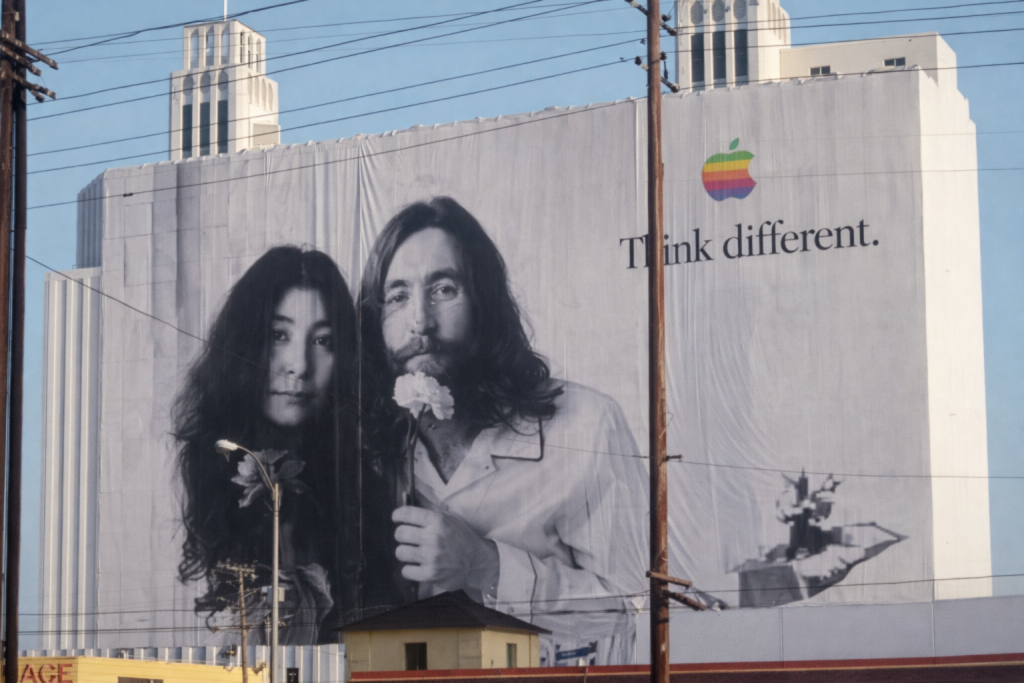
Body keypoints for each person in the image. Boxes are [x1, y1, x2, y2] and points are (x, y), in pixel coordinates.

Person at [358, 197, 649, 665]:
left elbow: (635, 612)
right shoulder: (366, 447)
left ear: (485, 302)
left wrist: (486, 565)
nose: (420, 323)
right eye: (397, 297)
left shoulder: (588, 423)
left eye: (444, 289)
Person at [174, 245, 372, 644]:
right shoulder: (212, 462)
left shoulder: (365, 472)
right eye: (279, 335)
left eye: (323, 341)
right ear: (245, 344)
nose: (299, 365)